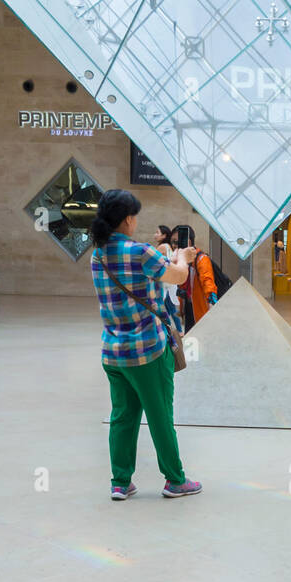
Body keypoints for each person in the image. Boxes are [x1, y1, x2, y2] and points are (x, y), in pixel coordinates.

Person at [90, 189, 202, 501]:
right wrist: (182, 257)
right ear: (127, 219)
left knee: (122, 416)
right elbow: (178, 277)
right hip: (148, 350)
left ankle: (120, 482)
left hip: (113, 352)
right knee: (160, 416)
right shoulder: (140, 252)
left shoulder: (97, 254)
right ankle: (175, 480)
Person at [153, 224, 181, 331]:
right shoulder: (168, 246)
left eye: (157, 232)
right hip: (170, 281)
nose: (155, 235)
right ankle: (173, 329)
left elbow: (152, 262)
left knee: (165, 306)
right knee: (169, 306)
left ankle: (176, 330)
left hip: (164, 282)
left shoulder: (162, 247)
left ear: (164, 235)